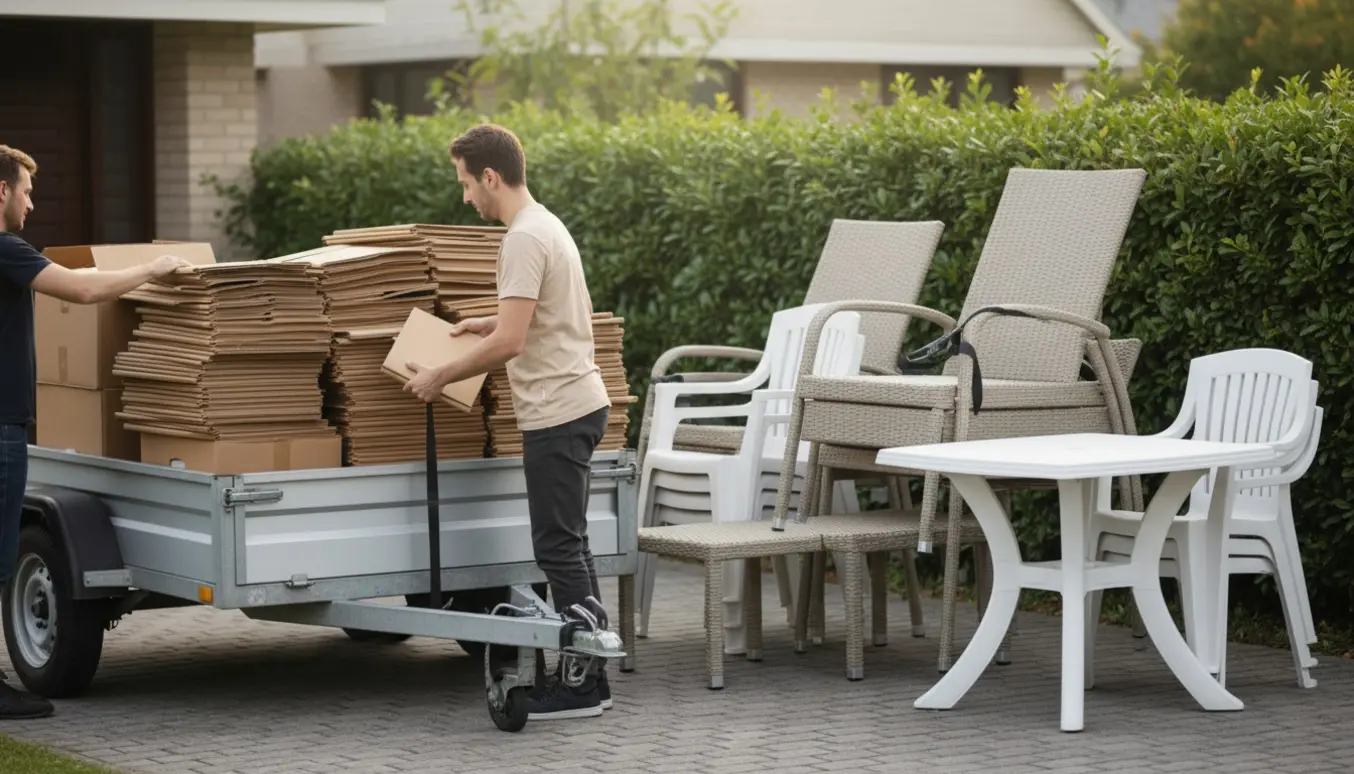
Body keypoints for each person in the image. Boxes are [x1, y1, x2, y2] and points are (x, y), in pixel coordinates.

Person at [402, 124, 613, 721]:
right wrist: (482, 323)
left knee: (557, 547)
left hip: (557, 409)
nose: (466, 197)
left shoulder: (521, 239)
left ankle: (580, 689)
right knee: (570, 544)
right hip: (577, 402)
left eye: (467, 184)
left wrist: (442, 376)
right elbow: (530, 321)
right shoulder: (546, 225)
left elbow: (515, 343)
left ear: (490, 177)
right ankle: (589, 677)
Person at [0, 145, 191, 720]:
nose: (32, 201)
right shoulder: (4, 249)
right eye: (26, 190)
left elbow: (74, 276)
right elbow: (81, 292)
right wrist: (155, 268)